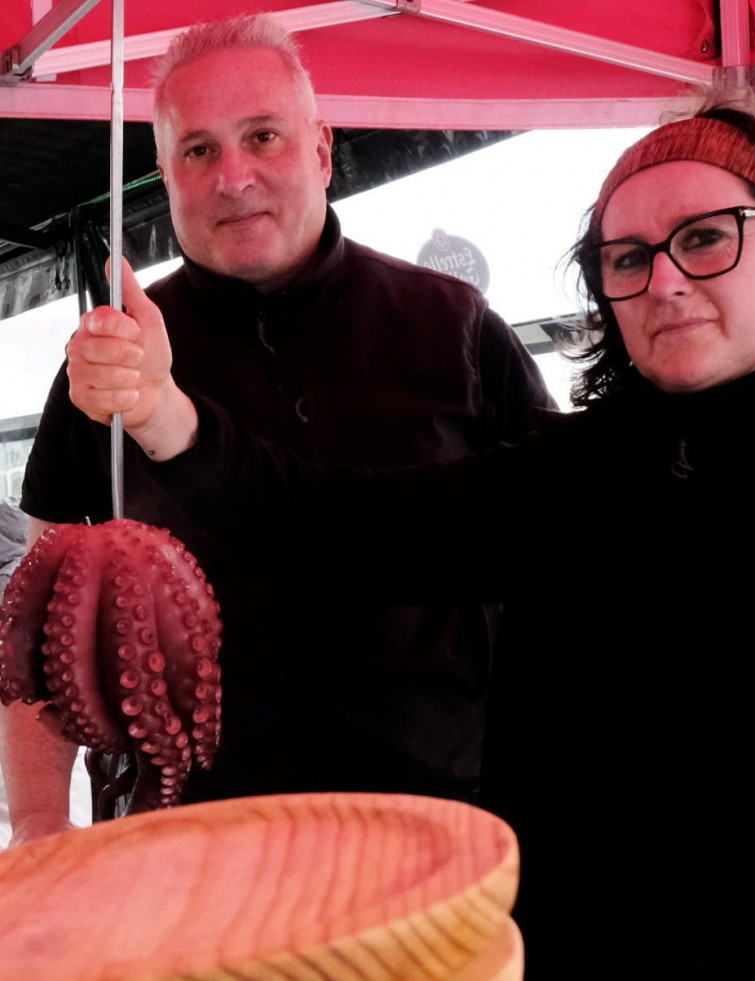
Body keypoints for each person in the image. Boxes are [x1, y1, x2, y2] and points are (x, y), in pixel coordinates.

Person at [59, 100, 755, 979]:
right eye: (626, 258)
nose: (663, 279)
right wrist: (162, 411)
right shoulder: (562, 479)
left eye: (705, 238)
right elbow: (340, 528)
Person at [0, 15, 553, 845]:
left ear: (322, 149)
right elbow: (36, 619)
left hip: (437, 840)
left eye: (263, 136)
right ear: (164, 174)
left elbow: (557, 572)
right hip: (185, 847)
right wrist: (41, 823)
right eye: (198, 150)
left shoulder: (455, 329)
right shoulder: (111, 359)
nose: (233, 176)